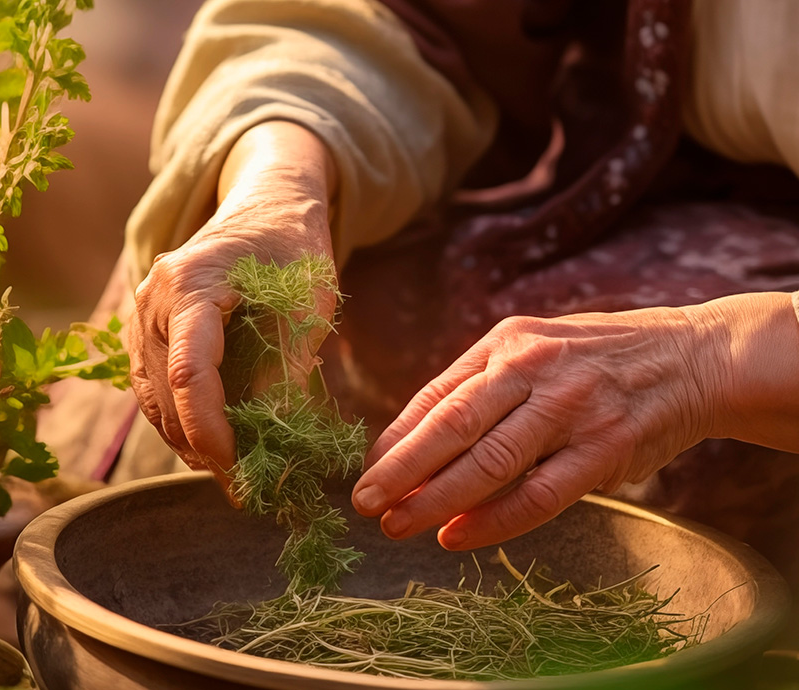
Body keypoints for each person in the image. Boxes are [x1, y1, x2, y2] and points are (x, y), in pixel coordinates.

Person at [44, 0, 799, 570]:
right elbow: (376, 18)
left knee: (692, 441)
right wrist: (279, 186)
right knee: (275, 297)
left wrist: (706, 364)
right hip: (572, 170)